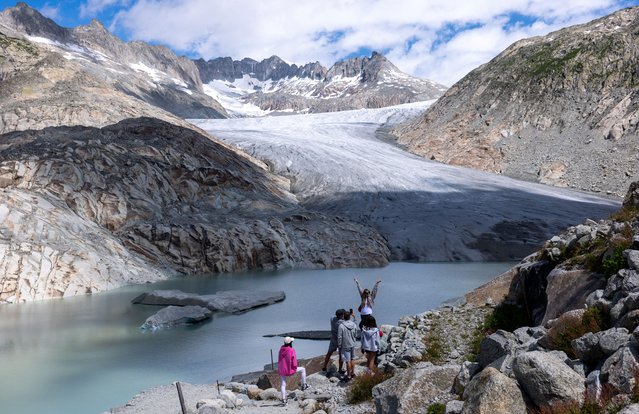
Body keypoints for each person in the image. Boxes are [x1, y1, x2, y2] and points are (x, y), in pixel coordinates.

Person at [277, 337, 309, 405]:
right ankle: (304, 385)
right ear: (290, 343)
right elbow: (294, 361)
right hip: (289, 369)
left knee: (283, 385)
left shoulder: (281, 350)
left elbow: (280, 360)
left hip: (282, 370)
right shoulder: (291, 350)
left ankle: (284, 400)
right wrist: (294, 368)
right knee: (303, 369)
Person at [337, 311, 359, 380]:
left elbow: (339, 337)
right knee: (352, 359)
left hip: (345, 345)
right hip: (352, 344)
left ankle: (348, 375)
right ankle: (352, 373)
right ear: (349, 317)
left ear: (343, 317)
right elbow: (356, 334)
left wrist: (339, 345)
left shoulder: (341, 326)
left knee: (347, 361)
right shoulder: (354, 324)